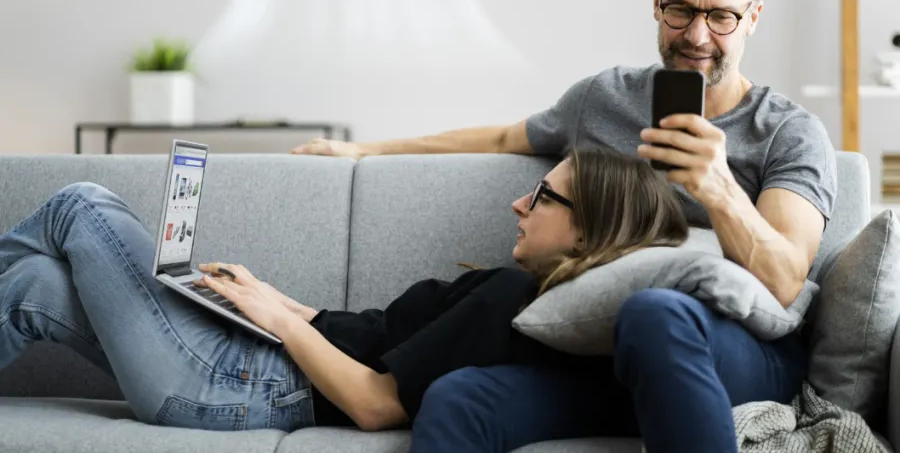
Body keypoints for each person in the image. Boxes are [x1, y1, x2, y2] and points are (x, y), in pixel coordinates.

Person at [291, 0, 838, 453]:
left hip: (732, 355)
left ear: (753, 17)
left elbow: (785, 280)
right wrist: (364, 150)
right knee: (458, 396)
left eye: (721, 16)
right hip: (601, 359)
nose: (697, 36)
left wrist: (718, 188)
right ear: (656, 3)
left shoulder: (788, 134)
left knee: (654, 313)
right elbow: (507, 137)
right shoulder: (605, 98)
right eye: (680, 10)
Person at [0, 147, 686, 433]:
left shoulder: (512, 298)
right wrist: (276, 300)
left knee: (83, 203)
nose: (518, 202)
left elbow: (375, 402)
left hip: (243, 384)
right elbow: (373, 333)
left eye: (541, 194)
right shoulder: (515, 290)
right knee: (34, 284)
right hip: (249, 360)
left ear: (588, 226)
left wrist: (278, 320)